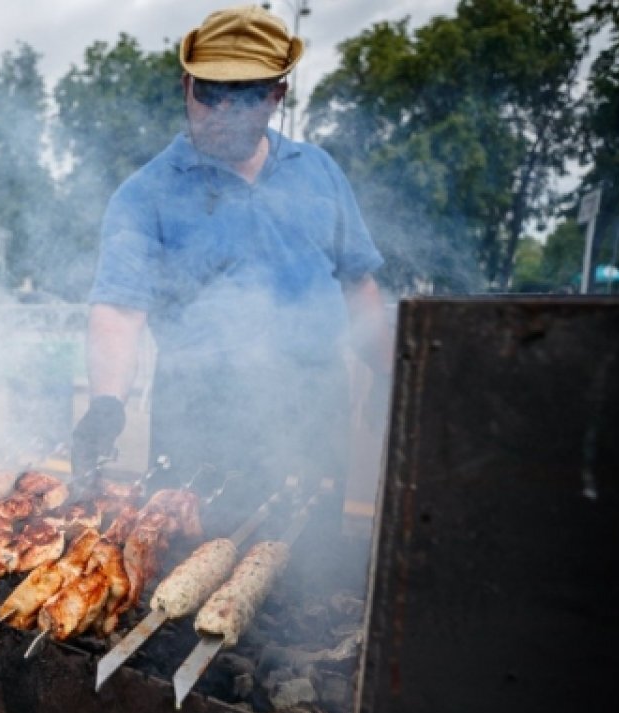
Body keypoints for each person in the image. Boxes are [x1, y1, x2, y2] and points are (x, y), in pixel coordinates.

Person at [71, 5, 391, 534]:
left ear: (277, 94)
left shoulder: (319, 172)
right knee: (184, 572)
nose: (224, 109)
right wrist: (106, 405)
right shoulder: (145, 192)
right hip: (199, 418)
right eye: (210, 92)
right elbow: (120, 311)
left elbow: (358, 282)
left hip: (312, 412)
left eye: (245, 94)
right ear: (186, 86)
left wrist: (382, 370)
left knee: (305, 565)